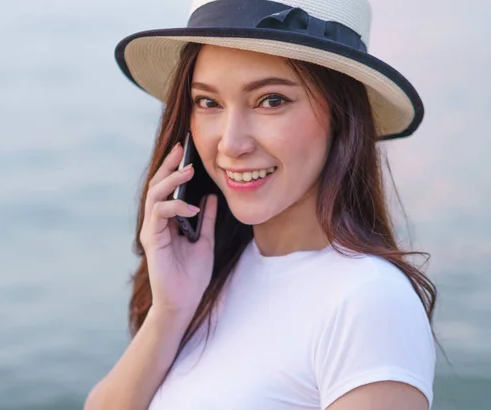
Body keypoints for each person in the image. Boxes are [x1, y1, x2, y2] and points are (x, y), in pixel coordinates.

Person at [85, 0, 438, 409]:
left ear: (343, 116)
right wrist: (170, 310)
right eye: (208, 102)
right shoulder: (217, 270)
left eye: (271, 101)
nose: (231, 144)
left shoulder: (369, 302)